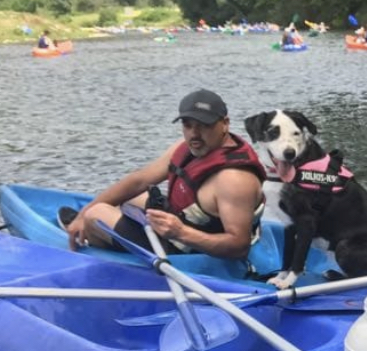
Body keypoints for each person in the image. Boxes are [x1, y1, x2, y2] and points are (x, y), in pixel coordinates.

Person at [59, 89, 267, 262]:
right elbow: (139, 180)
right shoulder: (187, 148)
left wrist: (181, 233)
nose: (194, 134)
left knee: (96, 214)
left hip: (191, 252)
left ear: (225, 124)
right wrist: (81, 214)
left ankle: (97, 242)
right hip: (184, 224)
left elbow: (239, 246)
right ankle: (87, 224)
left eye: (204, 126)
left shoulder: (234, 179)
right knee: (129, 197)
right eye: (188, 125)